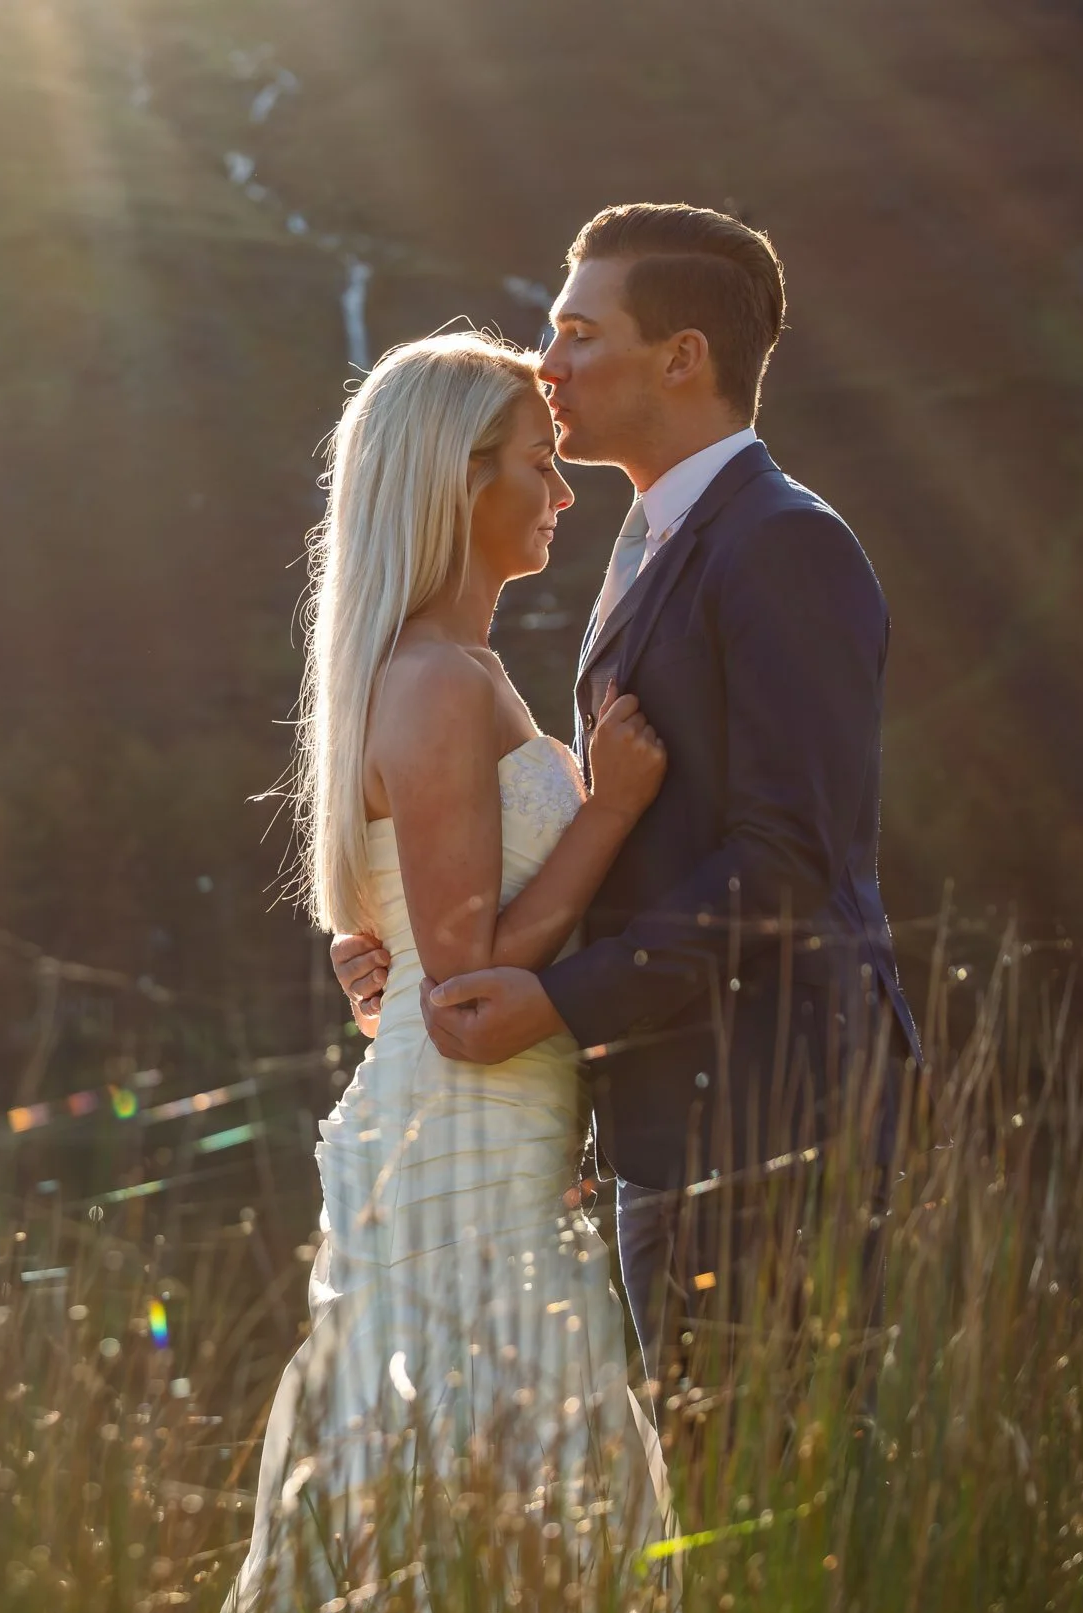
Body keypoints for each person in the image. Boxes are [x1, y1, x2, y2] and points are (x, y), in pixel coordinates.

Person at [331, 203, 920, 1392]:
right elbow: (634, 838)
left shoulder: (781, 544)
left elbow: (785, 860)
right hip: (665, 1108)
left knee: (761, 1519)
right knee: (696, 1509)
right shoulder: (646, 548)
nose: (548, 367)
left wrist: (546, 1003)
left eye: (577, 332)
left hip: (770, 1113)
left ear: (682, 356)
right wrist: (412, 946)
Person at [217, 329, 671, 1613]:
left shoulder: (461, 674)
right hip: (455, 1146)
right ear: (457, 483)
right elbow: (466, 982)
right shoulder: (431, 681)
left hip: (496, 1132)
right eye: (540, 466)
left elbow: (414, 957)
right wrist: (616, 803)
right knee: (492, 1516)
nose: (563, 492)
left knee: (519, 1512)